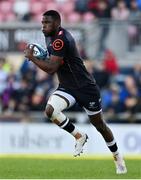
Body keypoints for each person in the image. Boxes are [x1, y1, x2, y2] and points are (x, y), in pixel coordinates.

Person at [24, 10, 127, 174]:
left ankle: (118, 158)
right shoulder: (50, 35)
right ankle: (79, 136)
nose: (43, 26)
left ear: (57, 23)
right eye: (42, 23)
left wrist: (33, 57)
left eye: (47, 23)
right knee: (50, 110)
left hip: (85, 88)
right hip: (67, 87)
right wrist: (42, 57)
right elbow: (53, 62)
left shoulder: (61, 39)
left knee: (99, 125)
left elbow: (51, 68)